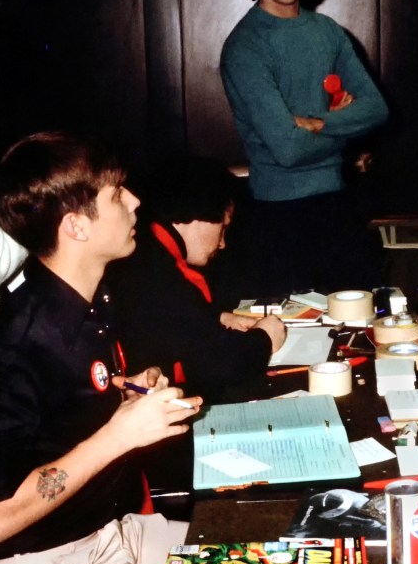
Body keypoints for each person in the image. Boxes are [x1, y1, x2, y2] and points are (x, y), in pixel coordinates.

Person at [0, 131, 203, 564]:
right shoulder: (17, 343)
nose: (134, 201)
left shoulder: (90, 303)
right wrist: (119, 435)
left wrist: (127, 397)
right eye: (116, 195)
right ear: (76, 227)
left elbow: (61, 413)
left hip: (109, 534)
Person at [220, 0, 389, 296]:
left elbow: (377, 109)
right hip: (278, 218)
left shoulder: (327, 31)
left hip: (338, 207)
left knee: (359, 323)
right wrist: (344, 127)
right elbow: (288, 149)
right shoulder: (246, 46)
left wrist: (319, 122)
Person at [108, 154, 286, 403]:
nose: (222, 243)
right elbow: (218, 364)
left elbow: (176, 323)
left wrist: (218, 318)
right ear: (198, 214)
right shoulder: (159, 271)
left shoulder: (152, 252)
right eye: (222, 227)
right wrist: (265, 338)